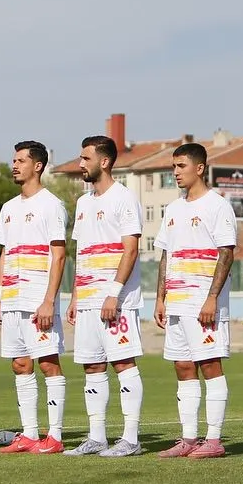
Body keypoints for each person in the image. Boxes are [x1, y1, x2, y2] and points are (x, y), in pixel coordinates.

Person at [155, 143, 238, 459]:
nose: (175, 172)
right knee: (183, 366)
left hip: (203, 303)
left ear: (200, 168)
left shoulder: (218, 206)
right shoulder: (173, 208)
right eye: (173, 167)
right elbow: (166, 255)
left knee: (210, 365)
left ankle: (214, 440)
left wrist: (212, 298)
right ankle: (188, 438)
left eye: (181, 166)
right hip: (176, 303)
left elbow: (226, 253)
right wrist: (161, 297)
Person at [64, 134, 145, 458]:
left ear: (105, 161)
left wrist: (113, 294)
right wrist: (75, 296)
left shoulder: (124, 198)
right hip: (87, 300)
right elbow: (82, 253)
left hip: (116, 300)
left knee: (123, 363)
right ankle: (97, 437)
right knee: (92, 366)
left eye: (86, 158)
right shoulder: (84, 203)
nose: (80, 163)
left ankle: (131, 439)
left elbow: (131, 249)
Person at [0, 141, 69, 455]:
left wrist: (49, 300)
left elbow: (59, 256)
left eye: (21, 160)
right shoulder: (8, 208)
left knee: (48, 363)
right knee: (20, 364)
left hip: (38, 300)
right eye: (14, 160)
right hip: (12, 300)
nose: (14, 165)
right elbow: (5, 254)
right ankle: (29, 434)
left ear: (37, 166)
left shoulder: (52, 205)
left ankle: (55, 436)